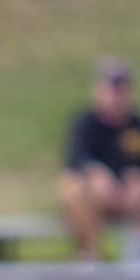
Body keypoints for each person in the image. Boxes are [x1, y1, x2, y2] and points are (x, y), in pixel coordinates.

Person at [59, 57, 140, 262]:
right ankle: (89, 258)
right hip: (96, 199)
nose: (115, 96)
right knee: (74, 191)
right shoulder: (85, 124)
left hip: (127, 200)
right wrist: (95, 173)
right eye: (111, 90)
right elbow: (78, 158)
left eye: (120, 90)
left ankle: (133, 261)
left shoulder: (134, 125)